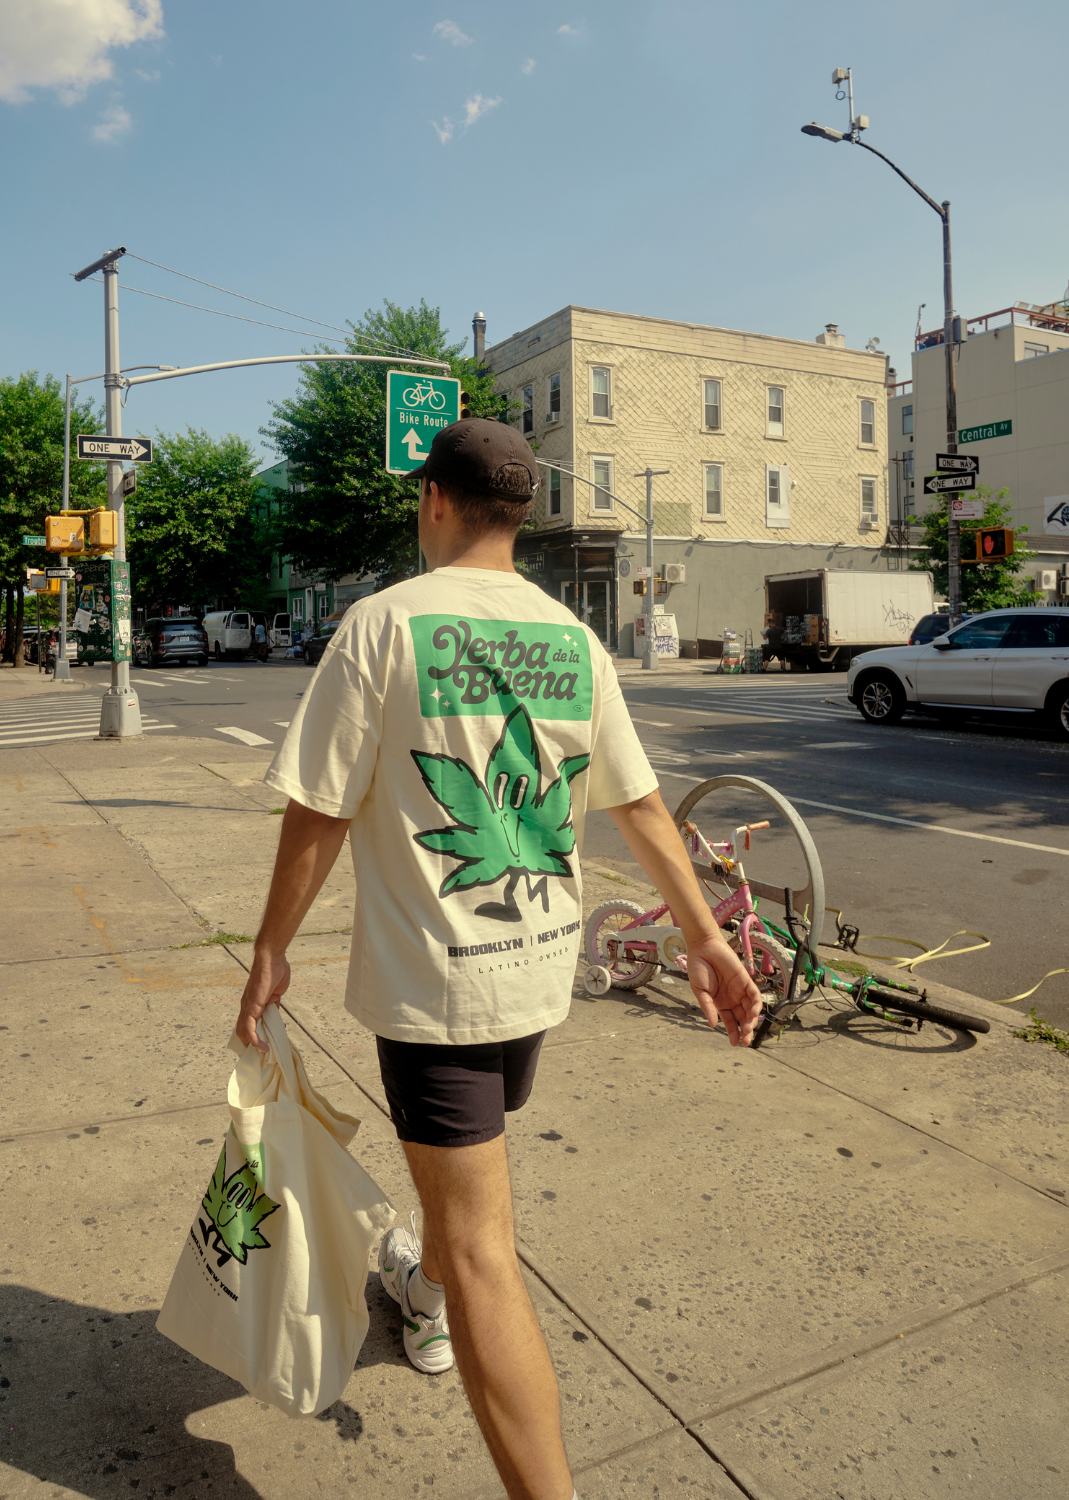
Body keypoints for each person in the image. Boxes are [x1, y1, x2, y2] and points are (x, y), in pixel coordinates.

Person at [235, 419, 761, 1500]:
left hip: (438, 988)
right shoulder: (571, 636)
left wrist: (269, 951)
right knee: (457, 1197)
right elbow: (640, 802)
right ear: (518, 513)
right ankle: (422, 1300)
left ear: (434, 500)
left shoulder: (383, 624)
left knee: (480, 1245)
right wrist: (704, 935)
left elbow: (318, 810)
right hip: (536, 975)